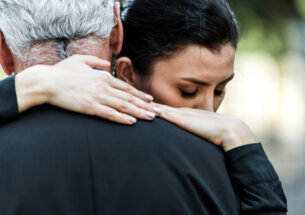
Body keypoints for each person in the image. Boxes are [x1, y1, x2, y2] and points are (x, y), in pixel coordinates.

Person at [0, 0, 287, 214]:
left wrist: (22, 88)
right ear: (116, 34)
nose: (208, 111)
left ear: (3, 48)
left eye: (221, 90)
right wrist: (245, 149)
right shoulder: (215, 165)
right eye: (188, 91)